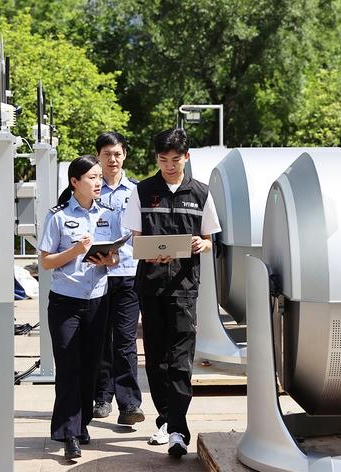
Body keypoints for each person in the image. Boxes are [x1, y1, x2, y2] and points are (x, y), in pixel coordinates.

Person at [121, 128, 221, 457]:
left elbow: (209, 239)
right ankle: (166, 420)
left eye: (175, 160)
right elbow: (135, 238)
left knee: (180, 360)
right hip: (150, 285)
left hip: (185, 287)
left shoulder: (201, 193)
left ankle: (177, 429)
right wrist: (149, 252)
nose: (169, 166)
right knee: (156, 359)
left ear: (186, 157)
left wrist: (201, 244)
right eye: (163, 160)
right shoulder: (142, 191)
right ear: (156, 158)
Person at [39, 155, 121, 460]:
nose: (98, 182)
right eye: (92, 177)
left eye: (100, 177)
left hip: (97, 299)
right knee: (68, 368)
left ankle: (81, 422)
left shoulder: (108, 214)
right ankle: (68, 433)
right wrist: (75, 250)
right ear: (75, 182)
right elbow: (46, 262)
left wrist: (108, 259)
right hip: (65, 302)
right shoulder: (58, 216)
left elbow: (115, 257)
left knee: (90, 367)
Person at [92, 132, 145, 425]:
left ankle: (129, 404)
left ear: (124, 155)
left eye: (117, 154)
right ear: (98, 156)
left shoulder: (137, 191)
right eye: (106, 154)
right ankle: (102, 397)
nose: (112, 159)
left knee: (125, 341)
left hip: (128, 274)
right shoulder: (88, 189)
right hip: (96, 275)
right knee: (101, 339)